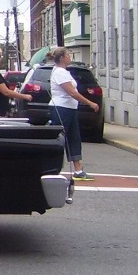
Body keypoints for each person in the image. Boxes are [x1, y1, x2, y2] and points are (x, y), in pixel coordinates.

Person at [48, 46, 100, 181]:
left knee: (74, 138)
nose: (70, 57)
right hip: (61, 109)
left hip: (70, 109)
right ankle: (52, 168)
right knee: (59, 140)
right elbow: (71, 92)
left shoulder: (65, 72)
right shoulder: (59, 72)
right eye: (68, 55)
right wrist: (90, 103)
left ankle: (78, 170)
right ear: (62, 58)